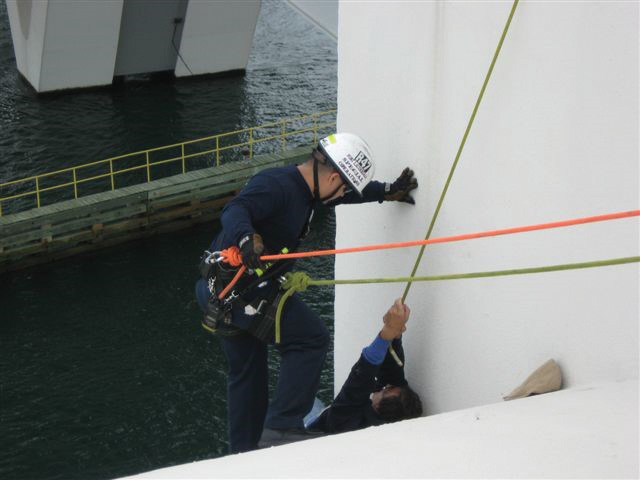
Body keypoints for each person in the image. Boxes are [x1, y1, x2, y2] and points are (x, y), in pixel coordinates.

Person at [195, 133, 418, 453]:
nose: (342, 195)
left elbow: (348, 195)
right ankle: (283, 425)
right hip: (241, 293)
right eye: (342, 187)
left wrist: (386, 191)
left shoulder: (313, 190)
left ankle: (242, 455)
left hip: (221, 294)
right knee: (310, 339)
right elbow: (236, 209)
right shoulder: (277, 185)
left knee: (248, 377)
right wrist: (247, 239)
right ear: (330, 176)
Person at [259, 298, 422, 447]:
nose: (383, 387)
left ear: (379, 407)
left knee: (292, 398)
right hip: (326, 420)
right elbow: (393, 374)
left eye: (386, 391)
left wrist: (387, 333)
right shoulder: (386, 416)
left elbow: (359, 379)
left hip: (304, 431)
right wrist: (396, 334)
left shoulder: (349, 420)